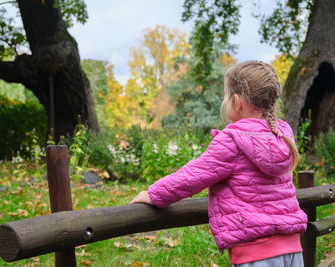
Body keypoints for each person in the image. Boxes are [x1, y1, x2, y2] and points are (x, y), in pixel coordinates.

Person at [130, 60, 307, 266]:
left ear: (237, 101)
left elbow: (193, 176)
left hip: (257, 251)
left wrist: (153, 194)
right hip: (293, 249)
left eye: (226, 97)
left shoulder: (234, 139)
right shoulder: (281, 135)